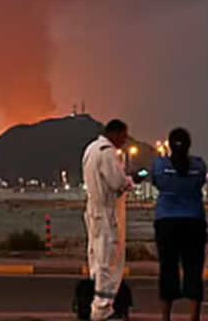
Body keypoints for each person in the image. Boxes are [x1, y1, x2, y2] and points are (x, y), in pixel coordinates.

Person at [151, 127, 207, 321]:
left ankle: (166, 315)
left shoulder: (160, 165)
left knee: (168, 268)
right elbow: (200, 183)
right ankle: (194, 314)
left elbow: (156, 183)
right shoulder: (198, 165)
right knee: (194, 268)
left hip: (166, 221)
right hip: (194, 220)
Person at [82, 119, 135, 320]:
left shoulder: (90, 149)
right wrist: (130, 181)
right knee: (108, 261)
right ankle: (102, 309)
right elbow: (117, 182)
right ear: (116, 134)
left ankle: (98, 304)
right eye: (124, 136)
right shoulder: (107, 152)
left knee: (97, 260)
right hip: (107, 214)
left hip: (94, 211)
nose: (125, 140)